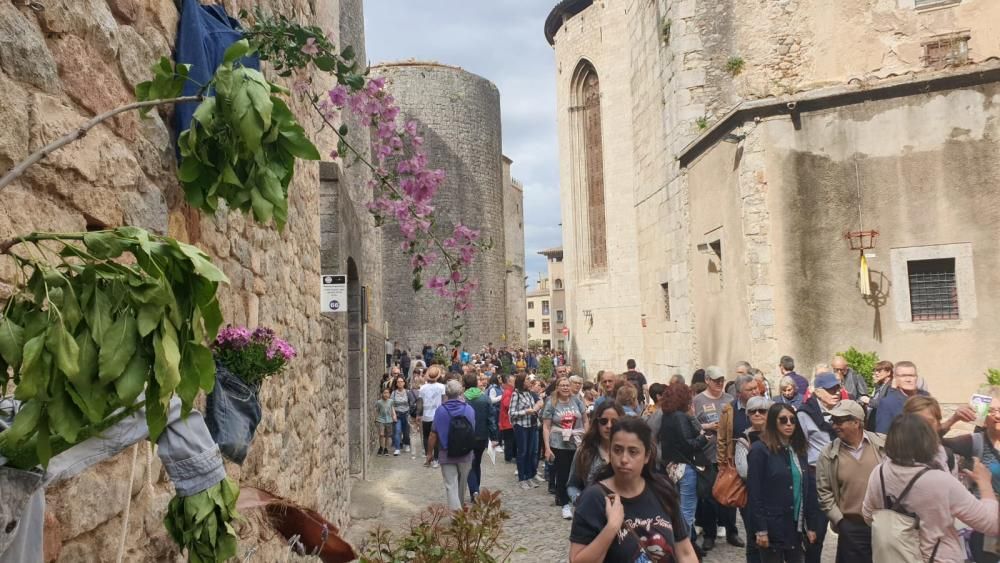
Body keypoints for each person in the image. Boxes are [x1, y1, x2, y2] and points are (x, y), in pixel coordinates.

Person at [862, 414, 999, 563]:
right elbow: (990, 524)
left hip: (895, 557)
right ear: (928, 442)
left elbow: (869, 515)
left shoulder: (880, 473)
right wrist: (984, 483)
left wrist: (901, 531)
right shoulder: (940, 482)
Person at [569, 417, 699, 562]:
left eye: (633, 452)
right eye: (617, 450)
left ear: (647, 456)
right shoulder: (594, 498)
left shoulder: (662, 490)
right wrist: (611, 528)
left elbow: (685, 552)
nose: (624, 459)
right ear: (610, 452)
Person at [747, 403, 820, 563]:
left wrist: (811, 525)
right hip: (773, 525)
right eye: (783, 420)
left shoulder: (799, 449)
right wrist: (761, 529)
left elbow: (806, 489)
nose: (789, 424)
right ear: (773, 422)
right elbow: (754, 493)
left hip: (795, 525)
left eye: (793, 420)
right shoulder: (760, 450)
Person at [815, 400, 885, 563]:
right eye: (833, 421)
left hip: (882, 526)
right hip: (851, 527)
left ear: (857, 422)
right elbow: (824, 492)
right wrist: (840, 521)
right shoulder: (828, 453)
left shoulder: (882, 445)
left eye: (840, 421)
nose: (834, 426)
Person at [659, 381, 709, 555]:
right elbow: (689, 444)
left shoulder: (666, 416)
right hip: (685, 467)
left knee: (679, 509)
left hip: (672, 467)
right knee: (687, 512)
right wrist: (704, 438)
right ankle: (682, 550)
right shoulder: (679, 417)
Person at [795, 371, 840, 563]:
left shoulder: (843, 410)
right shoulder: (805, 414)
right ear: (819, 392)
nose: (836, 392)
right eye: (831, 389)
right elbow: (799, 449)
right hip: (817, 478)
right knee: (816, 530)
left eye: (837, 388)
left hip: (841, 477)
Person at [692, 365, 738, 552]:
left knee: (731, 493)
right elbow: (692, 426)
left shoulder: (729, 399)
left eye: (722, 380)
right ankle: (710, 534)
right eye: (716, 380)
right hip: (707, 455)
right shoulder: (697, 400)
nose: (720, 383)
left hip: (727, 455)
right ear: (707, 380)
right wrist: (708, 425)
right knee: (709, 496)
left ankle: (731, 531)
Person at [715, 374, 757, 551]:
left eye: (756, 388)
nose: (755, 391)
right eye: (750, 389)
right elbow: (722, 439)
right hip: (737, 468)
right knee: (741, 505)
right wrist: (722, 465)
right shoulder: (729, 410)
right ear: (740, 393)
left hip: (760, 467)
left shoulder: (764, 408)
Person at [425, 380, 476, 510]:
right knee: (462, 486)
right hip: (465, 454)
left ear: (446, 393)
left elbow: (433, 434)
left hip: (446, 453)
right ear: (460, 392)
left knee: (450, 485)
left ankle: (456, 515)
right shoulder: (469, 410)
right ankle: (459, 515)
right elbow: (473, 430)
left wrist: (429, 453)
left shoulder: (440, 411)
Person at [543, 377, 589, 519]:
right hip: (559, 443)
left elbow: (585, 420)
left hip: (577, 442)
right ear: (557, 387)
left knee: (579, 474)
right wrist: (547, 447)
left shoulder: (577, 400)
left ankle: (580, 501)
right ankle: (564, 504)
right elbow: (546, 426)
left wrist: (587, 439)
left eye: (567, 385)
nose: (565, 388)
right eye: (562, 385)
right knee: (562, 474)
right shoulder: (552, 402)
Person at [734, 395, 773, 563]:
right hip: (752, 498)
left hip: (775, 499)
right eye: (753, 411)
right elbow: (743, 470)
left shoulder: (777, 438)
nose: (757, 414)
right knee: (754, 540)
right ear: (747, 415)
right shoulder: (744, 439)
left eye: (762, 411)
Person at [568, 403, 625, 505]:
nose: (609, 426)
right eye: (604, 421)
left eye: (614, 422)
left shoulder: (628, 454)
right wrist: (579, 499)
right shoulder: (584, 451)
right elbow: (573, 485)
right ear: (597, 423)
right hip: (592, 511)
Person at [873, 361, 928, 433]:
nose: (908, 380)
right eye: (903, 376)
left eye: (912, 376)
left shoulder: (926, 399)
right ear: (895, 379)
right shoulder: (888, 403)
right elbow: (882, 436)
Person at [510, 373, 543, 489]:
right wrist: (525, 412)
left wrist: (536, 409)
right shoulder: (516, 394)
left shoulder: (529, 394)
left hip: (532, 425)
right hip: (521, 426)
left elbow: (533, 408)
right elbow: (511, 413)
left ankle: (530, 476)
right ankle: (522, 478)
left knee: (530, 452)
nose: (530, 381)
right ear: (522, 382)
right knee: (522, 452)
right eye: (527, 379)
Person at [463, 372, 491, 500]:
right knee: (477, 463)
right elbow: (491, 419)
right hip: (481, 435)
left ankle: (474, 490)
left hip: (467, 436)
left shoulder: (462, 399)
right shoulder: (484, 398)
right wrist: (494, 436)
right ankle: (476, 489)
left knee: (470, 464)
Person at [419, 365, 446, 468]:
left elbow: (420, 403)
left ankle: (427, 457)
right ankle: (436, 459)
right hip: (438, 416)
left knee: (426, 436)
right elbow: (444, 401)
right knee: (437, 438)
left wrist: (419, 415)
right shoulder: (441, 387)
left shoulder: (422, 388)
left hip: (426, 415)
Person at [390, 375, 415, 456]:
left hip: (406, 414)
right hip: (397, 415)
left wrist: (410, 412)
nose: (400, 383)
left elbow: (412, 403)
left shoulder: (408, 392)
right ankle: (397, 448)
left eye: (401, 382)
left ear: (404, 383)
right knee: (397, 431)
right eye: (398, 382)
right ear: (396, 384)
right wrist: (393, 414)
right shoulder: (393, 393)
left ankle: (407, 444)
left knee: (406, 432)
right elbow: (391, 404)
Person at [375, 387, 396, 456]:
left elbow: (392, 409)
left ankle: (386, 449)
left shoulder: (391, 401)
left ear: (389, 394)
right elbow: (376, 411)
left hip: (389, 420)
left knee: (387, 435)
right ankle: (381, 447)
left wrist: (394, 416)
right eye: (384, 393)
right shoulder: (379, 402)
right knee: (381, 434)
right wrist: (375, 418)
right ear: (382, 394)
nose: (386, 394)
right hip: (380, 420)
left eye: (387, 393)